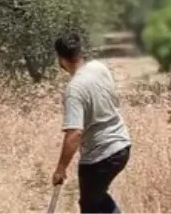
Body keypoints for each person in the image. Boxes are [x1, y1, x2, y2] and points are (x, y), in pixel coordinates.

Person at [51, 32, 132, 214]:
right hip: (122, 147)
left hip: (99, 157)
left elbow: (74, 133)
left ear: (61, 59)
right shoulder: (98, 67)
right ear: (80, 52)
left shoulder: (74, 89)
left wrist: (60, 169)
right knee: (97, 198)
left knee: (90, 206)